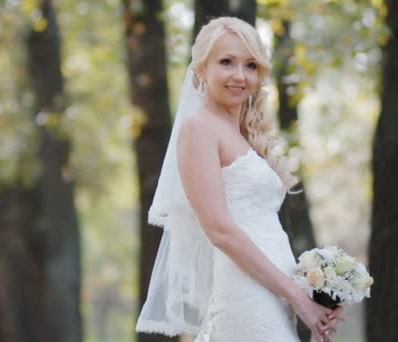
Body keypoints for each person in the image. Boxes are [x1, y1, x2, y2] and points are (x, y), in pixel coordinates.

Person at [135, 17, 345, 342]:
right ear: (201, 69)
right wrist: (297, 298)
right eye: (226, 62)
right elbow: (220, 230)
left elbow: (264, 228)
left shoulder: (246, 135)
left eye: (250, 65)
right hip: (246, 290)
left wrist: (313, 294)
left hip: (277, 289)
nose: (239, 75)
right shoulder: (198, 128)